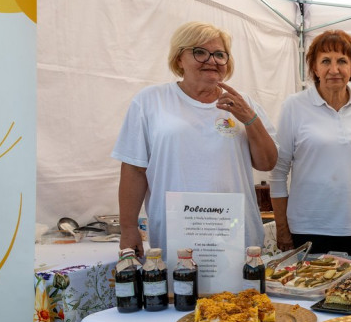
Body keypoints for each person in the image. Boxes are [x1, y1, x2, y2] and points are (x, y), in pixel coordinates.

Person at [112, 22, 278, 259]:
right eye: (199, 52)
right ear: (179, 58)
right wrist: (128, 228)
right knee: (179, 293)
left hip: (235, 235)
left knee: (240, 296)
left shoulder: (243, 103)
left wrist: (249, 118)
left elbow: (267, 163)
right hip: (176, 234)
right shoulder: (151, 100)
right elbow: (133, 169)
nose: (211, 60)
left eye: (220, 55)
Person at [270, 29, 351, 258]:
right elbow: (279, 172)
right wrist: (282, 229)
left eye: (342, 61)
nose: (334, 69)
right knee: (309, 292)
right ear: (314, 68)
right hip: (309, 227)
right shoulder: (294, 106)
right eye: (325, 61)